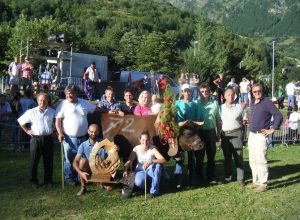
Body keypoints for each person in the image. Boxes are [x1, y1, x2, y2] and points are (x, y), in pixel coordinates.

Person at [55, 85, 97, 185]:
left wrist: (109, 111)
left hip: (83, 138)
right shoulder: (62, 105)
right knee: (69, 159)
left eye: (71, 93)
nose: (69, 95)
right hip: (69, 138)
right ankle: (69, 178)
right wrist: (60, 133)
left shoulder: (84, 103)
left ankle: (81, 178)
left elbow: (96, 109)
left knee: (83, 159)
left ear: (76, 93)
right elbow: (57, 120)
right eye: (67, 93)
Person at [247, 83, 282, 192]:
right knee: (252, 160)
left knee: (261, 160)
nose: (257, 93)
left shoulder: (267, 102)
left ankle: (263, 184)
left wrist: (272, 129)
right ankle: (256, 181)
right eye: (255, 91)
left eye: (259, 91)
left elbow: (278, 115)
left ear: (262, 91)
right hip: (252, 135)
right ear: (252, 92)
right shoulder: (253, 101)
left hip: (261, 136)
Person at [17, 93, 55, 188]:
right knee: (34, 161)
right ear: (37, 101)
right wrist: (27, 130)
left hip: (48, 139)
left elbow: (57, 122)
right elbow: (21, 121)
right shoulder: (31, 112)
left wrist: (55, 129)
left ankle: (48, 181)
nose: (43, 102)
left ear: (48, 101)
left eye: (45, 100)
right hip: (36, 139)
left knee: (48, 161)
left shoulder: (52, 111)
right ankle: (34, 181)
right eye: (41, 100)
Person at [123, 131, 166, 197]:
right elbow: (129, 160)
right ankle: (150, 184)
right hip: (141, 170)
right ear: (140, 140)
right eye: (143, 140)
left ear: (149, 140)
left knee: (158, 166)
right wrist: (125, 169)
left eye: (147, 140)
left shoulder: (152, 148)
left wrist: (151, 161)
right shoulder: (136, 149)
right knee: (138, 182)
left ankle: (154, 191)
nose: (145, 142)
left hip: (152, 170)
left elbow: (163, 160)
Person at [73, 124, 111, 195]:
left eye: (95, 132)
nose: (93, 134)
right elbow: (75, 162)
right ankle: (83, 187)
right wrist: (81, 173)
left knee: (109, 188)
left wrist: (116, 149)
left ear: (98, 132)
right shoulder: (83, 145)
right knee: (82, 161)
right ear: (88, 131)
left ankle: (101, 181)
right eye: (91, 131)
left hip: (101, 169)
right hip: (88, 172)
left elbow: (112, 154)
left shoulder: (104, 143)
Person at [175, 84, 201, 187]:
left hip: (191, 135)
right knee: (179, 158)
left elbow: (198, 118)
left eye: (189, 91)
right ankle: (178, 180)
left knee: (192, 157)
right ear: (182, 92)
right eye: (185, 91)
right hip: (180, 134)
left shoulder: (194, 105)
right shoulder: (177, 103)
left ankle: (192, 179)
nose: (187, 93)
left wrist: (197, 123)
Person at [196, 83, 221, 184]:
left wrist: (218, 132)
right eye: (202, 91)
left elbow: (218, 119)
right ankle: (199, 177)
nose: (204, 93)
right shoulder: (196, 103)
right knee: (199, 156)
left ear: (210, 92)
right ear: (199, 93)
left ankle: (211, 177)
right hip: (199, 133)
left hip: (211, 132)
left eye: (206, 91)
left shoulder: (215, 103)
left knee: (211, 156)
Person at [220, 87, 245, 186]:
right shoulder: (220, 108)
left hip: (236, 134)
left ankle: (240, 179)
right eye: (228, 95)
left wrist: (244, 121)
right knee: (227, 157)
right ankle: (228, 176)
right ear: (224, 96)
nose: (231, 96)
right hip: (225, 135)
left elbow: (244, 120)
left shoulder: (239, 107)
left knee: (238, 157)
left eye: (232, 94)